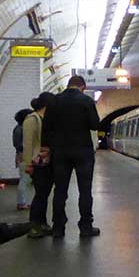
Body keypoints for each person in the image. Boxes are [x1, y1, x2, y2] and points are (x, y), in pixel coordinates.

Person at [43, 76, 101, 238]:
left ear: (68, 85)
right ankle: (85, 226)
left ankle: (58, 227)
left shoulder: (54, 101)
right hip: (83, 151)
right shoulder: (86, 100)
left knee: (60, 190)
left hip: (60, 151)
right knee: (85, 190)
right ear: (82, 86)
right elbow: (94, 125)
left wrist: (46, 148)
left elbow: (46, 127)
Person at [25, 93, 56, 238]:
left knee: (44, 195)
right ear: (47, 104)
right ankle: (34, 226)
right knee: (40, 195)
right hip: (37, 163)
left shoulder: (45, 119)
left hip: (46, 163)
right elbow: (28, 144)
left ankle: (43, 223)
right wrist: (28, 164)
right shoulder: (32, 119)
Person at [12, 108, 33, 210]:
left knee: (24, 179)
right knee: (24, 180)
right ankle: (21, 203)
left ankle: (22, 202)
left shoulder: (18, 128)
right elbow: (20, 145)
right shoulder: (22, 129)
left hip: (22, 155)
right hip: (24, 156)